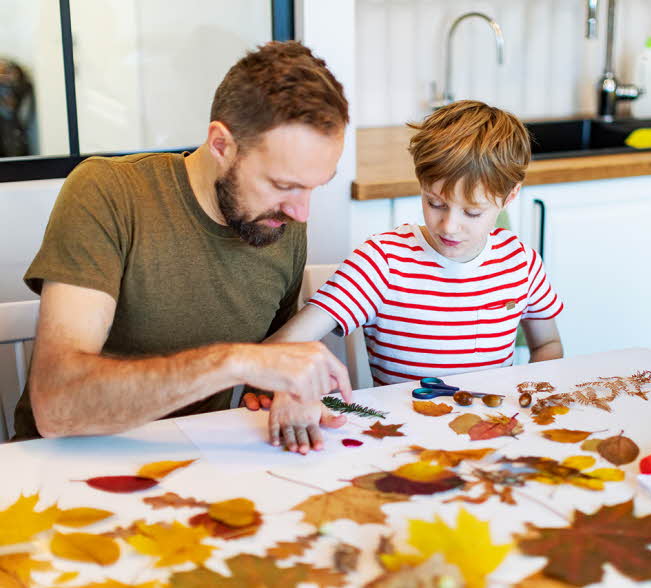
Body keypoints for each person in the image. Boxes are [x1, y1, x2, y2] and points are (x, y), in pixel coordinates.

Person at [13, 41, 353, 448]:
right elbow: (58, 406)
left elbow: (270, 367)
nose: (302, 212)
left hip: (192, 460)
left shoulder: (280, 221)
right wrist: (235, 360)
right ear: (221, 145)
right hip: (60, 466)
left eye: (314, 187)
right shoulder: (108, 192)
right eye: (283, 185)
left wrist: (290, 389)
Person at [265, 100, 564, 454]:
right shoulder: (383, 262)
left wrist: (532, 394)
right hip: (403, 443)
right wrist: (291, 389)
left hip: (492, 437)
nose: (449, 225)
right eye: (435, 203)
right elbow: (278, 349)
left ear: (510, 196)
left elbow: (547, 345)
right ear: (421, 183)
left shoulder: (521, 263)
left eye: (472, 211)